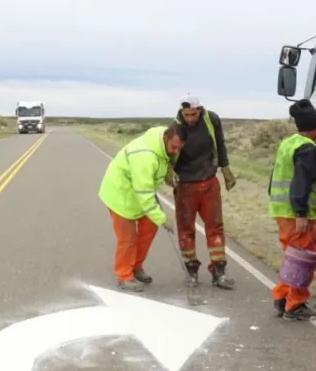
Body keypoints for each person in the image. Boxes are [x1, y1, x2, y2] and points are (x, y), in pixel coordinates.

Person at [98, 124, 187, 292]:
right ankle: (124, 275)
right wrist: (163, 218)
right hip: (121, 194)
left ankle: (135, 266)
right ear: (165, 139)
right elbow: (144, 194)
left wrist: (168, 171)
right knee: (128, 238)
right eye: (174, 147)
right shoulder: (145, 157)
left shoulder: (162, 143)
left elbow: (147, 186)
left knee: (150, 227)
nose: (175, 151)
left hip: (139, 190)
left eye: (179, 148)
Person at [166, 95, 236, 289]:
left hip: (208, 182)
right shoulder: (175, 127)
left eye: (193, 114)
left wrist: (226, 168)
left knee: (215, 227)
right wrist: (168, 171)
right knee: (186, 229)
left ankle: (219, 272)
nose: (190, 118)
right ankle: (192, 271)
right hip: (185, 185)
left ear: (200, 110)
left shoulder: (211, 120)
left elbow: (220, 144)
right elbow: (168, 152)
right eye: (186, 114)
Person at [268, 99, 316, 321]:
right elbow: (300, 183)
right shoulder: (308, 149)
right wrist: (301, 213)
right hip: (299, 215)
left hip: (282, 211)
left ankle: (282, 297)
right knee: (303, 259)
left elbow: (276, 178)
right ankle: (295, 304)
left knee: (291, 258)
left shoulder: (287, 143)